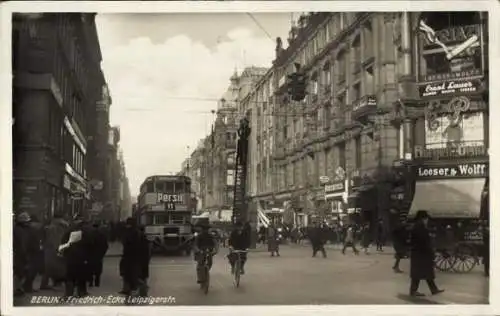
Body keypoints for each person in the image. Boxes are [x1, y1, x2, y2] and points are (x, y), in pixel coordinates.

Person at [409, 210, 444, 297]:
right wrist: (431, 252)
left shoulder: (417, 226)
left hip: (418, 253)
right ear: (423, 218)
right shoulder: (420, 227)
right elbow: (424, 242)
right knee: (422, 273)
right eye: (426, 218)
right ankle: (415, 291)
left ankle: (432, 289)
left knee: (423, 273)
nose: (427, 220)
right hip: (422, 253)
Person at [59, 215, 91, 297]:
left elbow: (63, 242)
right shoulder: (85, 231)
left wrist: (64, 252)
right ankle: (81, 292)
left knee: (70, 276)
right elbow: (89, 244)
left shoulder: (69, 230)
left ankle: (68, 294)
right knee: (81, 275)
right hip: (81, 256)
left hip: (71, 256)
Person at [40, 212, 68, 289]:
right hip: (61, 248)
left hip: (49, 249)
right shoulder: (65, 226)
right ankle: (60, 283)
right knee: (62, 266)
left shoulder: (48, 227)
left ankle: (44, 284)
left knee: (48, 268)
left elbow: (43, 239)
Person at [119, 218, 141, 295]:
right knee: (128, 273)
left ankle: (132, 288)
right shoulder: (135, 232)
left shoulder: (131, 232)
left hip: (130, 256)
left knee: (129, 273)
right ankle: (129, 288)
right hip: (131, 255)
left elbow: (128, 242)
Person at [88, 223, 109, 287]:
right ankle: (97, 283)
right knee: (98, 270)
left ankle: (90, 282)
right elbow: (106, 245)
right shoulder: (102, 235)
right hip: (99, 255)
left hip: (90, 254)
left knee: (90, 269)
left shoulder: (89, 235)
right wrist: (102, 253)